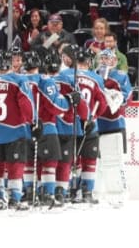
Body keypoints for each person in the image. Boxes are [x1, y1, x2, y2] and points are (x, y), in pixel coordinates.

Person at [54, 46, 108, 205]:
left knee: (70, 160)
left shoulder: (64, 75)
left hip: (69, 124)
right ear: (89, 62)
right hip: (90, 124)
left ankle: (69, 190)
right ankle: (86, 192)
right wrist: (93, 118)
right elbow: (102, 103)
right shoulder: (96, 78)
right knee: (89, 160)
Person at [0, 50, 34, 211]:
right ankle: (14, 199)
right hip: (15, 130)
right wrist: (33, 122)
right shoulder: (19, 79)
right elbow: (27, 104)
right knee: (15, 165)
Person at [22, 51, 71, 207]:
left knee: (29, 163)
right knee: (49, 163)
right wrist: (68, 100)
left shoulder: (19, 80)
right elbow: (56, 106)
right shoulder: (45, 80)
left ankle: (30, 193)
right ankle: (48, 195)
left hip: (24, 128)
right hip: (46, 128)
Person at [95, 48, 132, 208]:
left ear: (115, 61)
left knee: (114, 162)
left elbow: (127, 98)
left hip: (114, 125)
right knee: (95, 163)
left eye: (108, 58)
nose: (104, 61)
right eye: (102, 58)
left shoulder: (121, 76)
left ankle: (118, 194)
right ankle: (95, 193)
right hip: (95, 125)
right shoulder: (93, 76)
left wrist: (112, 96)